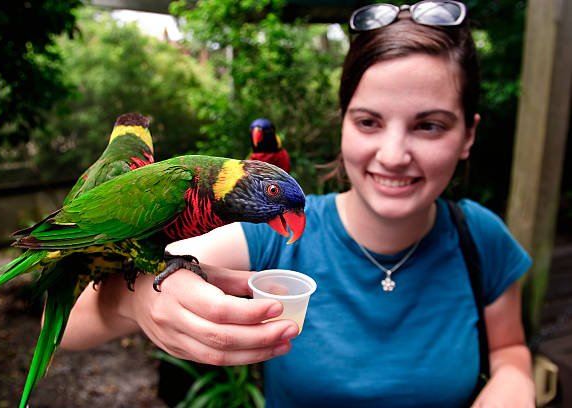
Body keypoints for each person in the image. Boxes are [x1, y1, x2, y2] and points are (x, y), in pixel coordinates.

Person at [59, 1, 535, 407]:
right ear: (343, 122)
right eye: (369, 122)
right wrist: (135, 301)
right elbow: (64, 322)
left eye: (429, 125)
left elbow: (510, 349)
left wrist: (511, 387)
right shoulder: (262, 241)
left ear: (469, 134)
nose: (393, 154)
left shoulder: (482, 236)